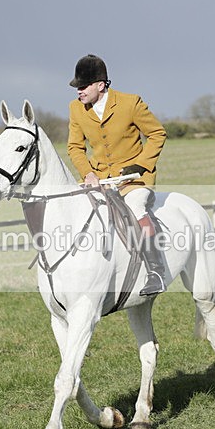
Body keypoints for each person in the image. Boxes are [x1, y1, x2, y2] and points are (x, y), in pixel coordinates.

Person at [67, 54, 168, 296]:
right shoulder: (75, 109)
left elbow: (157, 134)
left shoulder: (130, 103)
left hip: (133, 179)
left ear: (100, 85)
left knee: (135, 208)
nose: (79, 91)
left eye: (84, 86)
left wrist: (141, 165)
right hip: (100, 178)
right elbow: (75, 147)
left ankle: (156, 271)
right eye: (77, 87)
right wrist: (87, 173)